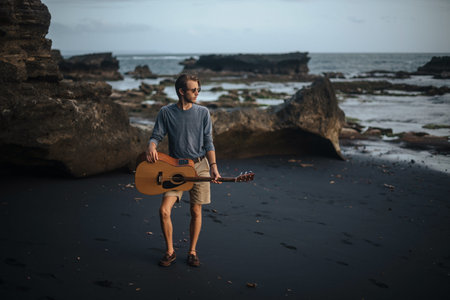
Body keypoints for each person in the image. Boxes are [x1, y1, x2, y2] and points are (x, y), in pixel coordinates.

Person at [146, 74, 221, 267]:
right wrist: (151, 146)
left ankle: (192, 251)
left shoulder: (203, 112)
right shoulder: (166, 112)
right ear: (181, 91)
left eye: (198, 90)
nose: (197, 93)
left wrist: (213, 167)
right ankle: (170, 251)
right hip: (176, 167)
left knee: (196, 210)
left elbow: (208, 142)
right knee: (164, 210)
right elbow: (157, 135)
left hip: (200, 166)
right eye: (193, 90)